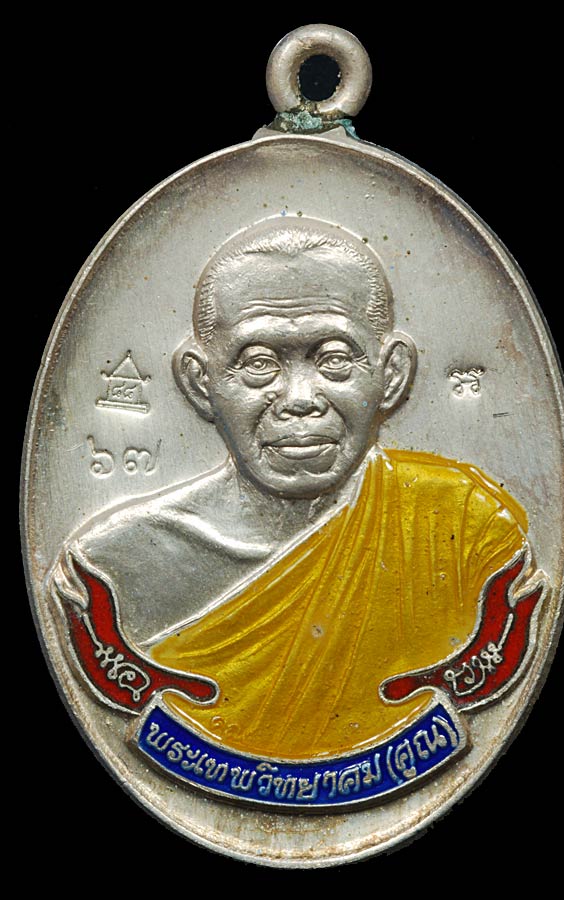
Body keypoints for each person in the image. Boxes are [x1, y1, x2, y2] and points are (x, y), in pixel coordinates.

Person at [51, 218, 533, 760]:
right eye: (259, 364)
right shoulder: (115, 567)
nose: (300, 398)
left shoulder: (465, 530)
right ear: (200, 382)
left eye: (334, 360)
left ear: (392, 375)